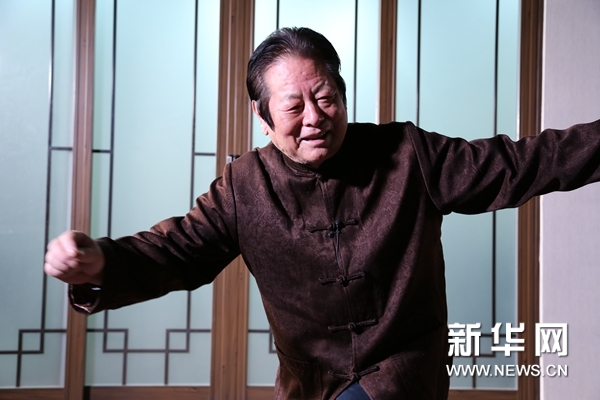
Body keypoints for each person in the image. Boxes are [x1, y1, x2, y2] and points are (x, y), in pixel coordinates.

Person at [44, 27, 600, 400]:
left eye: (326, 97)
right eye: (293, 106)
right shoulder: (244, 187)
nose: (314, 117)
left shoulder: (407, 155)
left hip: (402, 376)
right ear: (263, 117)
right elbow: (179, 250)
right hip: (310, 385)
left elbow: (520, 163)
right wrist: (100, 262)